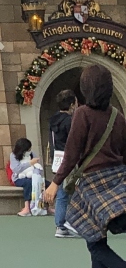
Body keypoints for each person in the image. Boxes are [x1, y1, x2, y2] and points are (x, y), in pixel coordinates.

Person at [41, 64, 126, 268]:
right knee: (95, 235)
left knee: (93, 241)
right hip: (118, 182)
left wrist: (55, 184)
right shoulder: (118, 117)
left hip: (93, 184)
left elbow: (72, 153)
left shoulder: (83, 114)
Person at [50, 90, 78, 237]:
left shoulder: (53, 120)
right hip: (68, 159)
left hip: (57, 159)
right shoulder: (70, 121)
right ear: (72, 104)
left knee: (62, 192)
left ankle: (61, 224)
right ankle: (66, 223)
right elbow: (74, 142)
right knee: (72, 190)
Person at [9, 137, 44, 216]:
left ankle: (45, 206)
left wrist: (36, 174)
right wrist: (30, 163)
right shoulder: (13, 155)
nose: (29, 151)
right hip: (19, 178)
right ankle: (27, 207)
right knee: (28, 183)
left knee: (45, 183)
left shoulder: (32, 154)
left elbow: (38, 166)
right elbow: (17, 169)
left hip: (33, 176)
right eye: (28, 149)